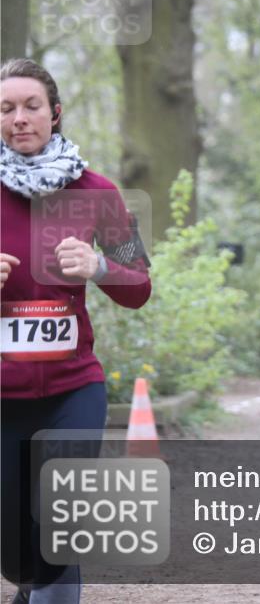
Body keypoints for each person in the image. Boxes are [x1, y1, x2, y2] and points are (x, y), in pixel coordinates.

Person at [1, 58, 152, 603]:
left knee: (60, 523)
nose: (19, 118)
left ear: (55, 113)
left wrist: (100, 267)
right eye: (7, 108)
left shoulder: (99, 193)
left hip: (73, 387)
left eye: (31, 106)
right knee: (17, 547)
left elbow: (140, 286)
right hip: (2, 394)